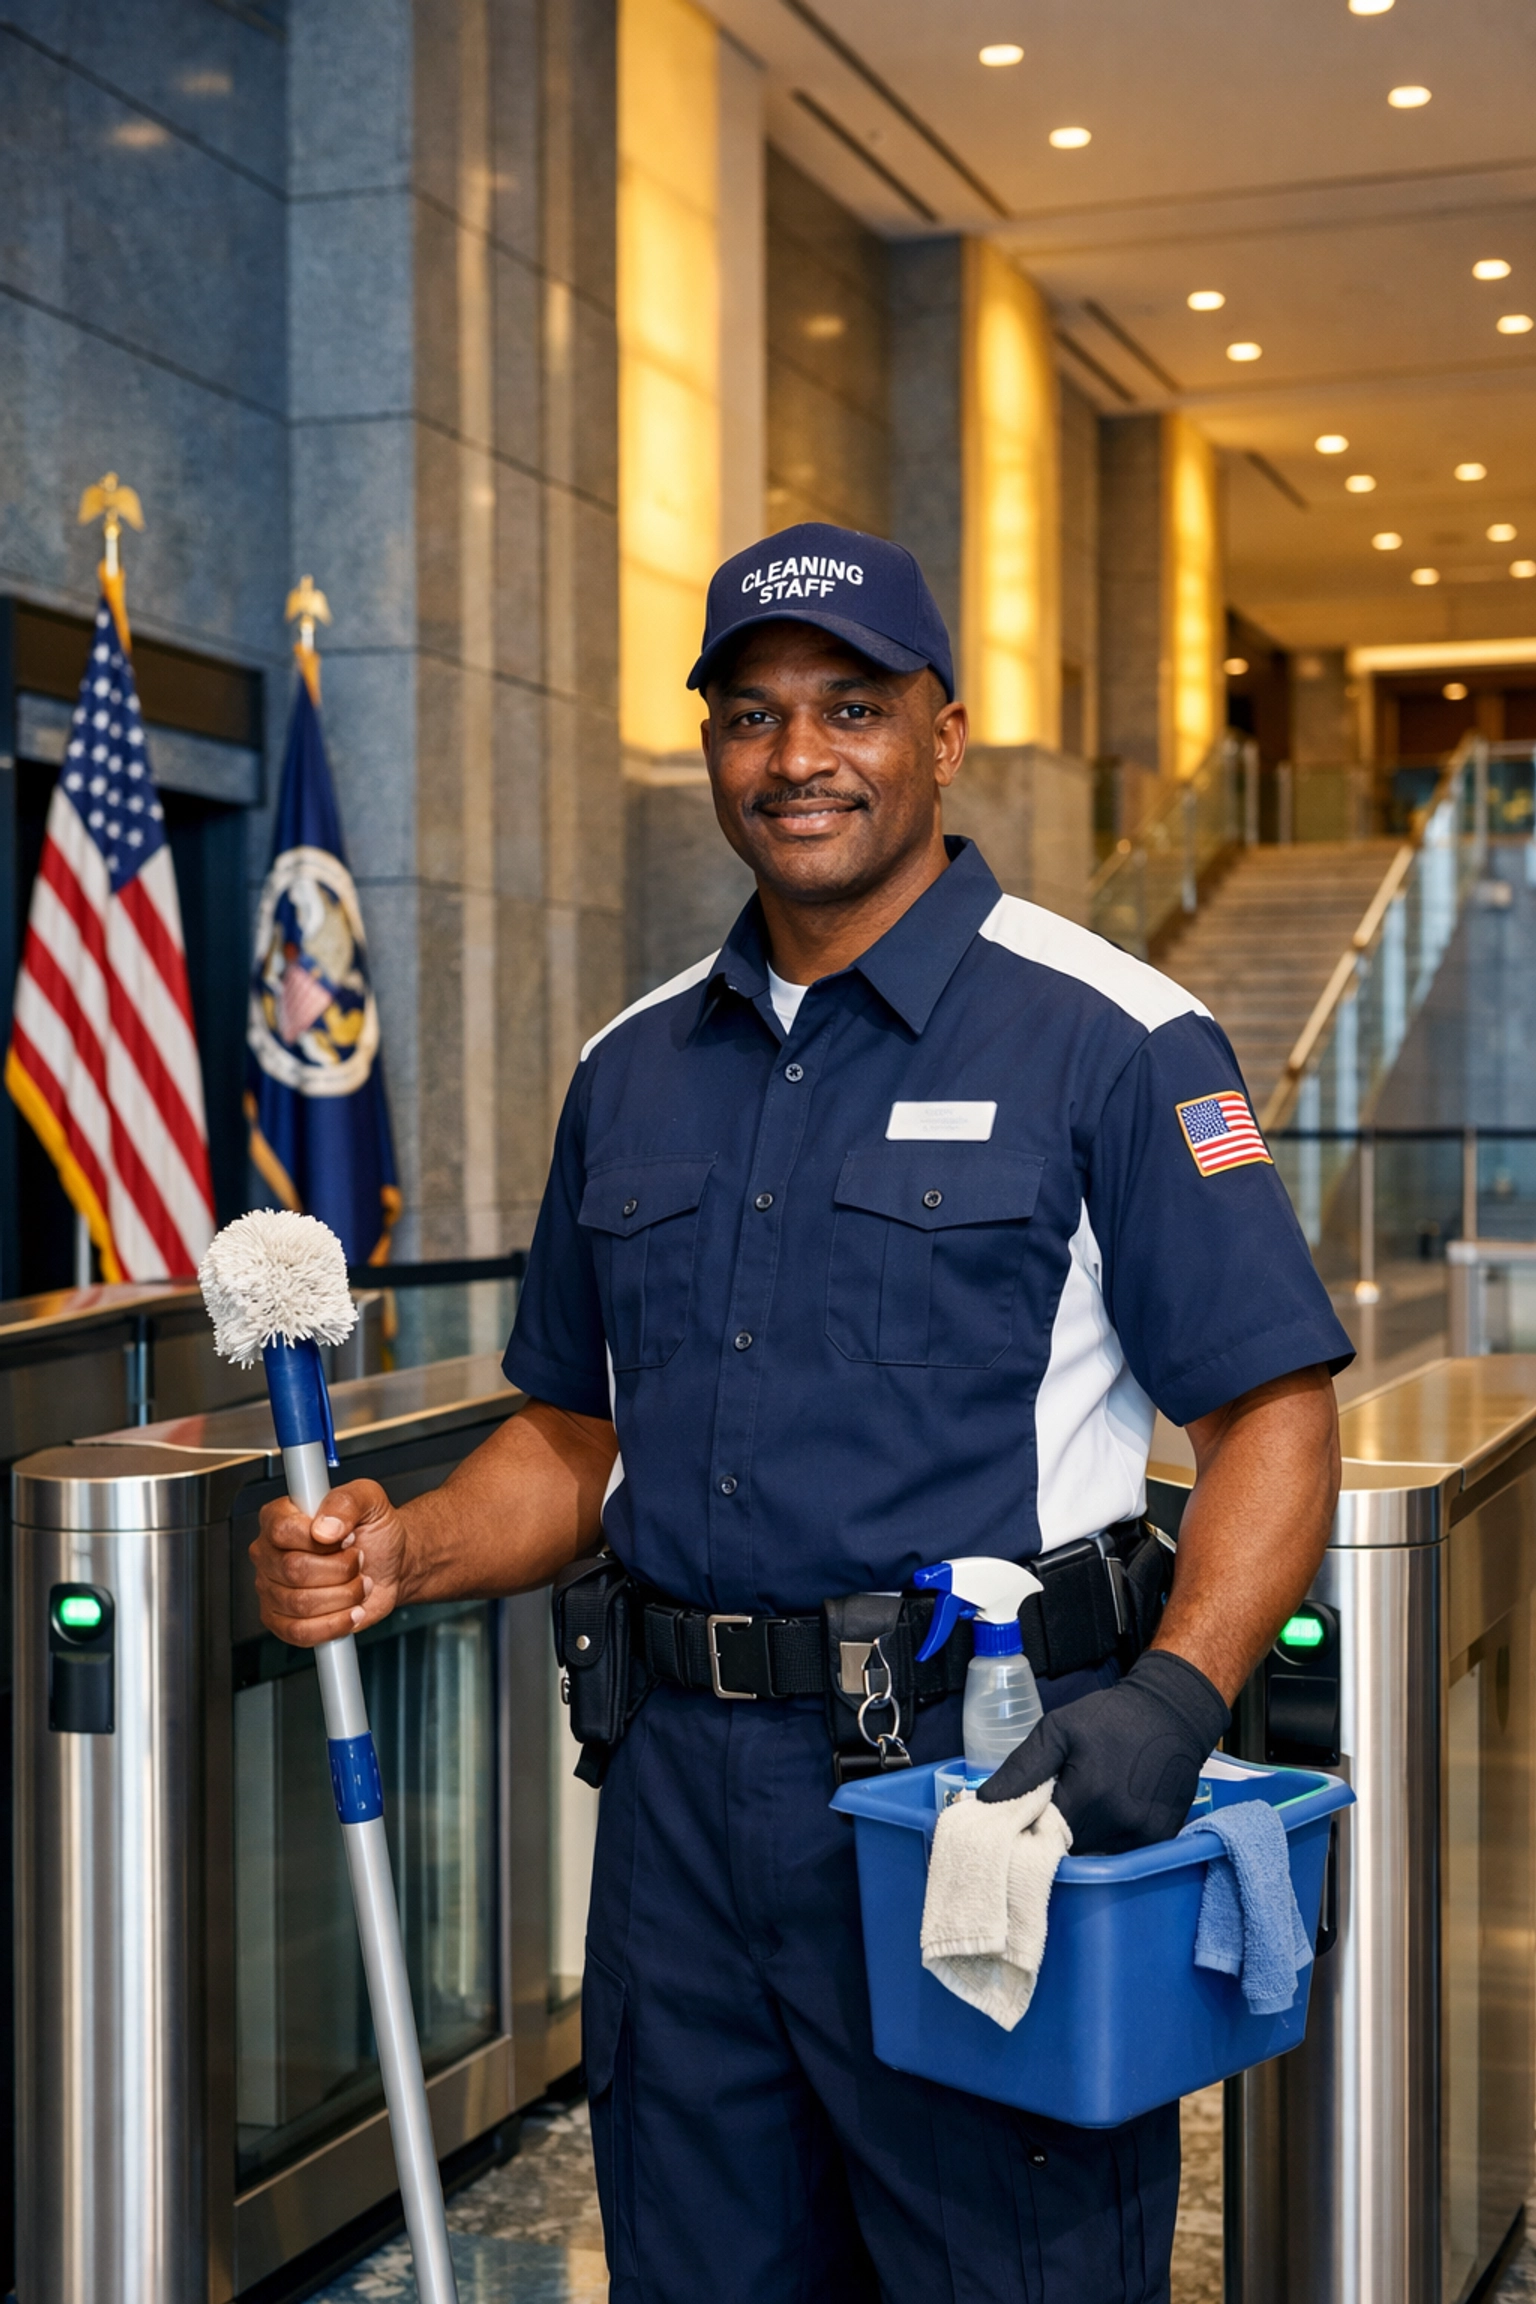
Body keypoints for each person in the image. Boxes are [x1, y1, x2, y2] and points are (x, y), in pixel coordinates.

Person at [252, 521, 1351, 2303]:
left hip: (981, 1793)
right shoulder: (632, 1067)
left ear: (942, 733)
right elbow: (572, 1432)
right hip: (683, 1816)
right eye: (752, 716)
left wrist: (1176, 1692)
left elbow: (1271, 1413)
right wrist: (404, 1546)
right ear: (711, 752)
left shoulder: (1113, 1037)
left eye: (851, 706)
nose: (798, 755)